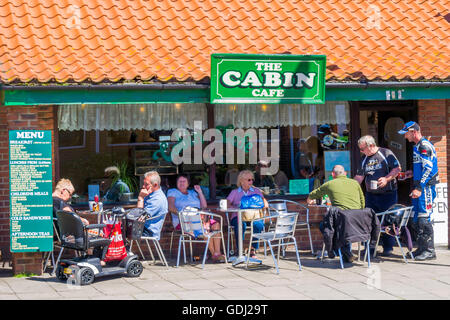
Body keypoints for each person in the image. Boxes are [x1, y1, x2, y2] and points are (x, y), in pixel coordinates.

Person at [354, 135, 401, 257]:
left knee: (388, 220)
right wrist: (349, 186)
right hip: (371, 195)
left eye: (362, 148)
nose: (361, 151)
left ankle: (388, 247)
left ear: (370, 146)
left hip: (388, 194)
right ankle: (369, 248)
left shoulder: (385, 153)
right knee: (368, 221)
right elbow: (359, 177)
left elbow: (397, 169)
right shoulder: (364, 158)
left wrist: (386, 179)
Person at [398, 121, 439, 261]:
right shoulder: (417, 146)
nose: (405, 137)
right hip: (418, 186)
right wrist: (411, 174)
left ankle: (429, 251)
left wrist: (420, 187)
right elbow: (422, 167)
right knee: (416, 219)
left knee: (424, 218)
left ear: (413, 132)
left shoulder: (424, 146)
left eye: (406, 134)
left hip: (425, 188)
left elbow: (428, 168)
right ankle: (421, 248)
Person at [307, 165, 365, 262]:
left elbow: (313, 194)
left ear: (333, 174)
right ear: (345, 173)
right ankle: (346, 253)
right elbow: (362, 202)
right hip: (358, 222)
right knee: (341, 226)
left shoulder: (330, 184)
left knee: (324, 227)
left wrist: (309, 200)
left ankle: (341, 252)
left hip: (343, 222)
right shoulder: (355, 183)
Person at [167, 174, 225, 262]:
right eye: (180, 181)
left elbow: (204, 206)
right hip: (183, 222)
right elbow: (170, 207)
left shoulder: (193, 193)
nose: (182, 183)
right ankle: (214, 254)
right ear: (176, 183)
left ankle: (217, 252)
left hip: (199, 218)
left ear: (188, 183)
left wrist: (200, 192)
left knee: (216, 225)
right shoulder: (173, 192)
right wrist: (183, 215)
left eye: (184, 181)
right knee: (205, 227)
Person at [226, 170, 267, 259]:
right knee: (240, 224)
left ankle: (252, 249)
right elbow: (227, 204)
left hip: (253, 217)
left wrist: (260, 205)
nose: (251, 182)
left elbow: (265, 203)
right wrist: (236, 208)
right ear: (242, 181)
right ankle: (239, 249)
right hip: (238, 217)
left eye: (252, 180)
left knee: (258, 224)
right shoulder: (235, 192)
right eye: (249, 180)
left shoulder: (256, 191)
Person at [137, 171, 168, 241]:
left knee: (120, 230)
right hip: (144, 228)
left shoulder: (157, 200)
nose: (143, 186)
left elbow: (139, 219)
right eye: (143, 183)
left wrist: (140, 198)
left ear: (155, 185)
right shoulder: (151, 194)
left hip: (149, 232)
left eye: (146, 184)